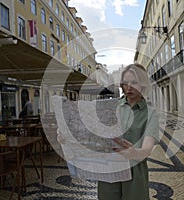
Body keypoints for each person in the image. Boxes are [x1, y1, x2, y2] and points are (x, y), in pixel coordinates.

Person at [58, 63, 160, 200]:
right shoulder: (109, 107)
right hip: (109, 169)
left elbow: (147, 148)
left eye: (134, 82)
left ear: (143, 84)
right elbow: (92, 135)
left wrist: (135, 153)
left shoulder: (151, 113)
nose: (129, 86)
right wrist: (69, 137)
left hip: (135, 171)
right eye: (125, 82)